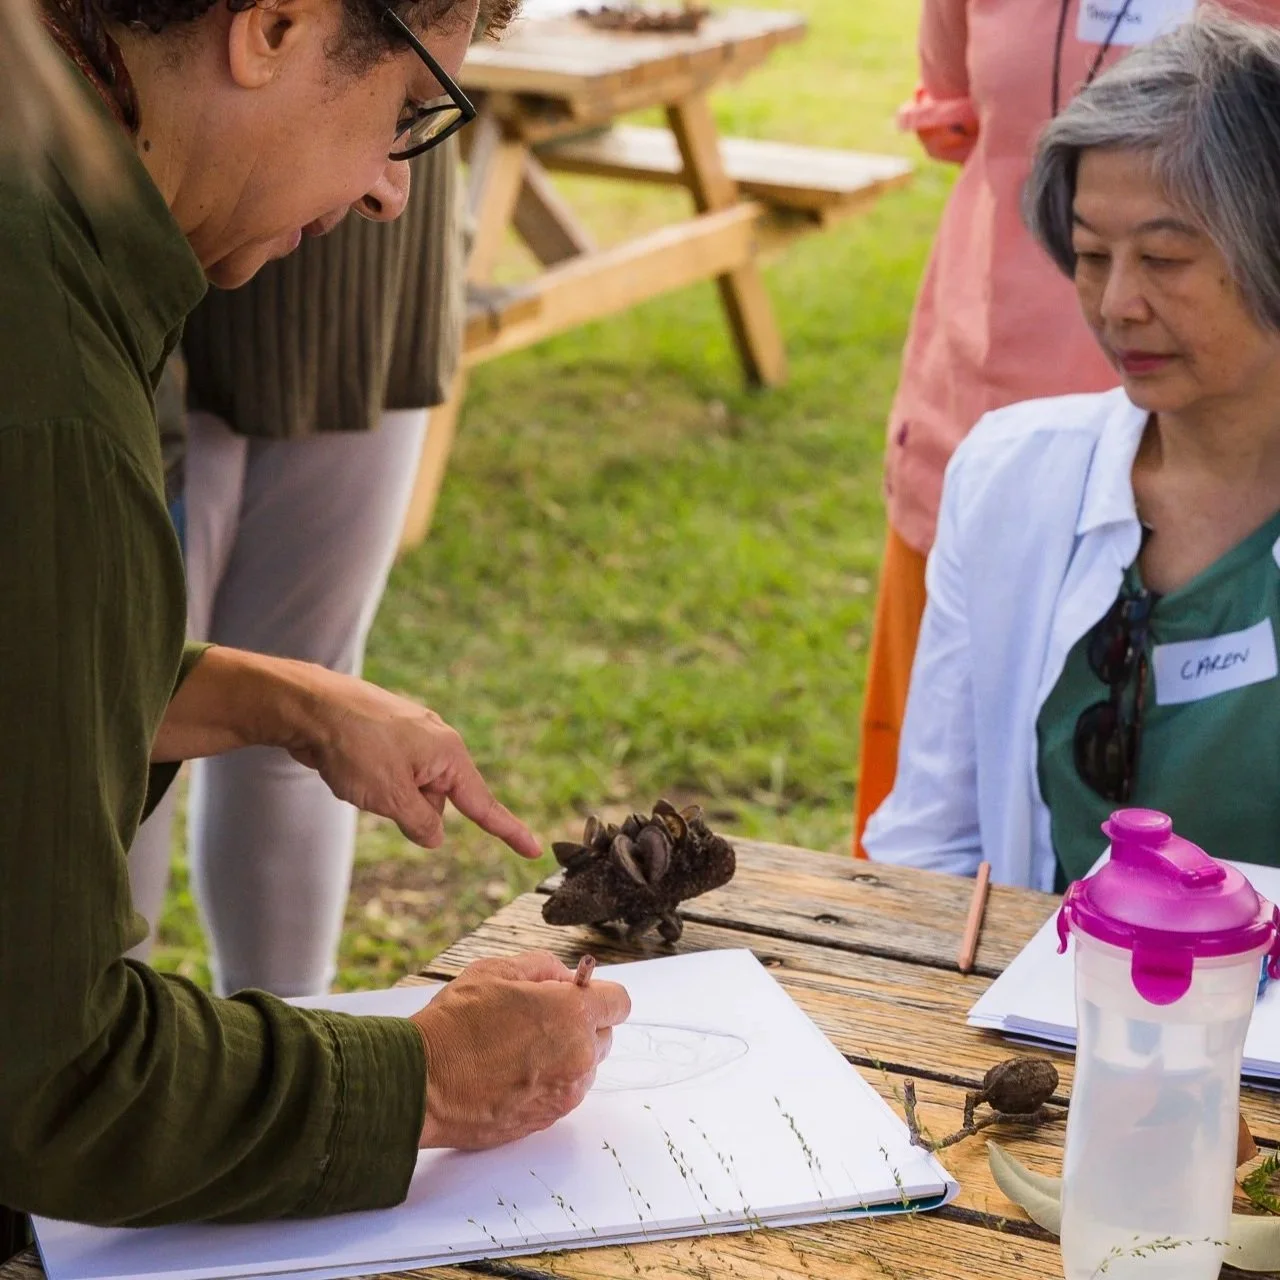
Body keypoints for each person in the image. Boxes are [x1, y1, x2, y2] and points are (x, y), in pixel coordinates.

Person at [0, 0, 630, 1239]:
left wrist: (275, 697)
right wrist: (430, 1073)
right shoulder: (48, 387)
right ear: (273, 27)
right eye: (404, 115)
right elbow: (48, 1080)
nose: (393, 196)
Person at [864, 12, 1280, 891]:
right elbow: (927, 845)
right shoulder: (1013, 476)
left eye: (1165, 258)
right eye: (1091, 255)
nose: (1117, 304)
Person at [127, 138, 465, 999]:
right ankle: (73, 1066)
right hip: (151, 199)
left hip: (354, 263)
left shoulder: (381, 186)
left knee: (316, 707)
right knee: (120, 711)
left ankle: (295, 1037)